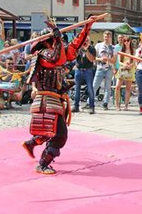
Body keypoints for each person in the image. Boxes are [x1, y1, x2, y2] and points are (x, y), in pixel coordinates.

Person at [21, 17, 96, 174]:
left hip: (54, 99)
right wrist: (56, 35)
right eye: (54, 39)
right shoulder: (43, 54)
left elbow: (75, 47)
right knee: (60, 135)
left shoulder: (57, 51)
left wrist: (88, 26)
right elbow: (56, 58)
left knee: (52, 131)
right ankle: (43, 164)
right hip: (46, 99)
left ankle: (31, 143)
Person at [72, 36, 96, 114]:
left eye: (87, 40)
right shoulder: (79, 48)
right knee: (77, 89)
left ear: (89, 41)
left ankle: (92, 106)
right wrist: (79, 48)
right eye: (84, 40)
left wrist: (86, 50)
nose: (85, 42)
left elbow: (91, 59)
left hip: (88, 70)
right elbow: (74, 56)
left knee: (90, 88)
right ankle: (76, 106)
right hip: (78, 70)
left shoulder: (92, 48)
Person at [92, 31, 116, 110]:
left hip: (109, 69)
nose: (107, 38)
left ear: (110, 37)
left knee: (108, 87)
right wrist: (101, 59)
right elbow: (94, 58)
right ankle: (90, 102)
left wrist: (108, 59)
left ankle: (105, 103)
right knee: (94, 86)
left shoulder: (113, 48)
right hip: (100, 68)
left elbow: (114, 60)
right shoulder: (98, 45)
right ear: (103, 37)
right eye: (105, 36)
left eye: (108, 36)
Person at [115, 36, 135, 111]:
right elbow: (119, 61)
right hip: (122, 69)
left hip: (130, 69)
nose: (126, 42)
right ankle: (117, 105)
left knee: (128, 88)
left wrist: (130, 65)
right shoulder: (121, 50)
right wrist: (124, 65)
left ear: (130, 41)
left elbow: (134, 61)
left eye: (128, 40)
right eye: (125, 41)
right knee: (117, 87)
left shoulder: (133, 51)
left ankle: (126, 105)